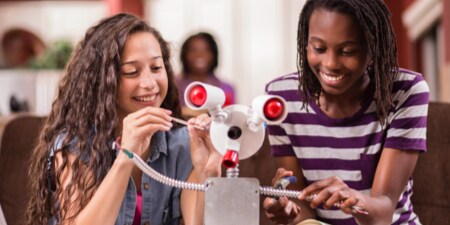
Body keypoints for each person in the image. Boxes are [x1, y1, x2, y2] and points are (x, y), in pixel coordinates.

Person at [26, 13, 221, 225]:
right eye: (131, 72)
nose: (149, 83)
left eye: (156, 68)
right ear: (103, 81)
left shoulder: (182, 144)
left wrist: (206, 172)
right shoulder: (76, 144)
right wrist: (126, 157)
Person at [263, 0, 429, 224]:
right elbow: (302, 205)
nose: (330, 63)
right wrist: (289, 210)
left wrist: (355, 200)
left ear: (372, 50)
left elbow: (384, 212)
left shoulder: (405, 91)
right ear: (305, 44)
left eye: (347, 51)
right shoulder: (280, 98)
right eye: (319, 48)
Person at [176, 32, 235, 118]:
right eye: (193, 50)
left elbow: (231, 117)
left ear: (214, 55)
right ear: (184, 55)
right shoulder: (172, 85)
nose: (200, 55)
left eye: (206, 50)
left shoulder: (226, 88)